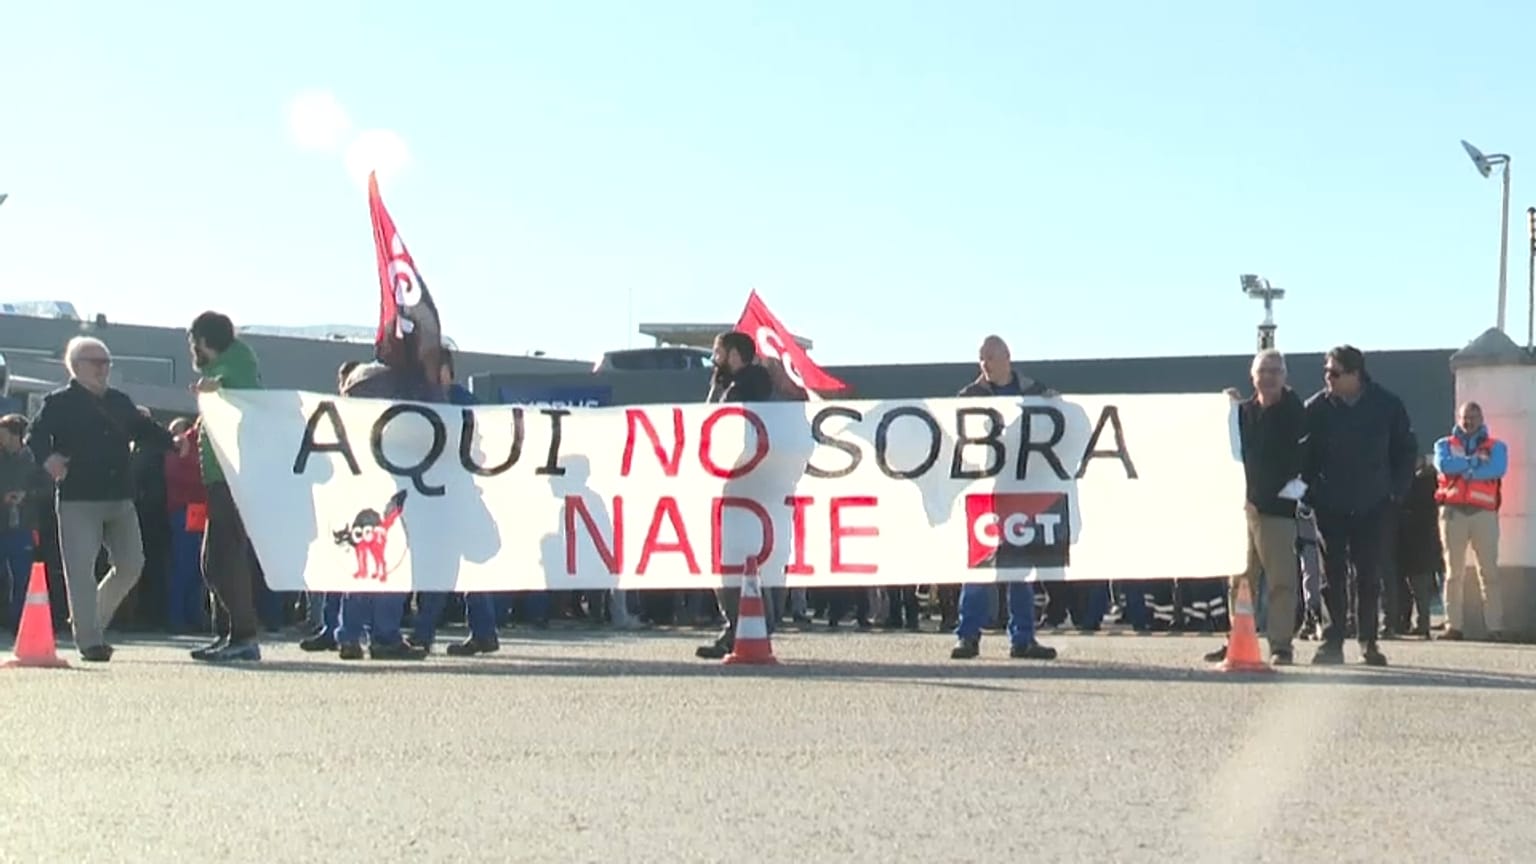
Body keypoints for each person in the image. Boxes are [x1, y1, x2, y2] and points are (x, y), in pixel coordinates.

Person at [25, 336, 171, 662]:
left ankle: (87, 621)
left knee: (132, 564)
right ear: (76, 367)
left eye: (107, 362)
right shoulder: (58, 402)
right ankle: (90, 641)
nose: (103, 368)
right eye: (96, 362)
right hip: (78, 497)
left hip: (120, 495)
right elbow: (33, 435)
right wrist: (48, 459)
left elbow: (143, 429)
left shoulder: (119, 400)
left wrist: (174, 442)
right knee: (80, 570)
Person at [1301, 345, 1415, 666]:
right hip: (1330, 505)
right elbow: (1304, 457)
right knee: (1331, 576)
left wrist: (1395, 492)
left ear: (1355, 374)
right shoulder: (1316, 408)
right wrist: (1307, 493)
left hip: (1373, 505)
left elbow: (1406, 451)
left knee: (1368, 575)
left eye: (1334, 373)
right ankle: (1332, 641)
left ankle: (1369, 641)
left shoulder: (1387, 405)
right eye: (1326, 372)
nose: (1328, 378)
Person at [950, 335, 1056, 661]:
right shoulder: (969, 397)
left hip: (1022, 492)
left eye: (989, 357)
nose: (983, 364)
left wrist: (1057, 404)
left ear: (1005, 357)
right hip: (985, 493)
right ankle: (968, 637)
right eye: (981, 358)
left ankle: (1022, 638)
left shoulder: (1035, 392)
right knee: (981, 567)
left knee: (1021, 569)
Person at [1204, 349, 1305, 665]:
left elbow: (1310, 460)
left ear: (1285, 376)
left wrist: (1293, 495)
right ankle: (1238, 639)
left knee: (1281, 581)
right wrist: (1225, 408)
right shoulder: (1243, 413)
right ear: (1253, 376)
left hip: (1277, 511)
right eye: (1263, 371)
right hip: (1243, 509)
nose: (1269, 376)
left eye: (1275, 370)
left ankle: (1280, 645)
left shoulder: (1297, 412)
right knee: (1240, 581)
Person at [185, 312, 267, 663]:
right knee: (213, 561)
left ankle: (244, 636)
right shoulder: (224, 370)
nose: (193, 351)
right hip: (220, 479)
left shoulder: (237, 362)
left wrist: (214, 383)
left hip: (234, 477)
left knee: (225, 558)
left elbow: (241, 382)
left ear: (204, 341)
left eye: (194, 343)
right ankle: (228, 633)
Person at [410, 348, 502, 656]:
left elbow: (482, 448)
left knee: (449, 566)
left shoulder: (463, 403)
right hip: (435, 495)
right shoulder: (423, 403)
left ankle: (427, 633)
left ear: (450, 371)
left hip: (459, 495)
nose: (434, 376)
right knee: (448, 568)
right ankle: (482, 632)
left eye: (439, 369)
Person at [695, 331, 774, 660]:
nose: (715, 358)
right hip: (749, 489)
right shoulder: (740, 385)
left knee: (729, 562)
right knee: (749, 562)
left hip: (740, 486)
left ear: (735, 355)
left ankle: (738, 629)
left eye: (719, 352)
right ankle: (747, 627)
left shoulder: (742, 390)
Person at [1432, 401, 1508, 641]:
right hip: (1453, 513)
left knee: (1489, 572)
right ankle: (1453, 626)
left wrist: (1465, 469)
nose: (1469, 421)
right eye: (1465, 417)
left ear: (1481, 418)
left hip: (1483, 514)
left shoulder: (1496, 446)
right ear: (1458, 418)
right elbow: (1444, 465)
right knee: (1453, 573)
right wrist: (1474, 463)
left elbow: (1496, 469)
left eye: (1474, 417)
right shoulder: (1444, 444)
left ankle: (1495, 627)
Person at [163, 417, 209, 634]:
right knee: (185, 565)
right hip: (184, 510)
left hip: (201, 511)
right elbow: (174, 472)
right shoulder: (182, 443)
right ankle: (176, 617)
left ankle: (194, 616)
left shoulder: (202, 446)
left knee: (200, 568)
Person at [0, 414, 42, 630]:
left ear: (15, 435)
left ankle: (19, 621)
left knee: (22, 576)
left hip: (23, 525)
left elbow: (45, 488)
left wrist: (26, 495)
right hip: (2, 524)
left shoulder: (32, 459)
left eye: (3, 433)